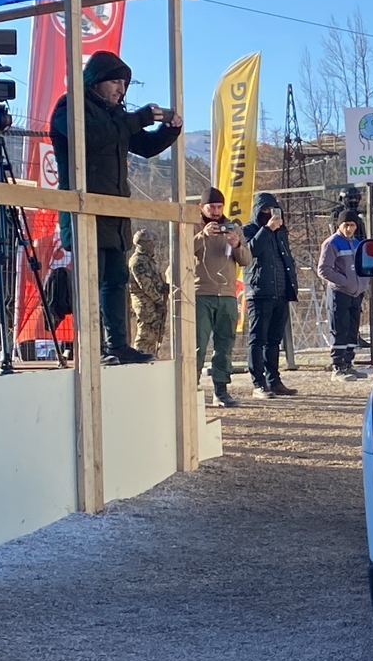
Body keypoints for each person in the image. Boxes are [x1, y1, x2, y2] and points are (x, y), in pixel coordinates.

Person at [50, 50, 182, 365]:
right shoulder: (70, 108)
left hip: (114, 212)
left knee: (116, 280)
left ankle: (117, 345)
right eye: (115, 81)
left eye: (124, 84)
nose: (121, 89)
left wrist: (169, 129)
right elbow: (94, 138)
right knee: (89, 280)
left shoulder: (117, 117)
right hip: (83, 210)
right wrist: (138, 120)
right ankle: (89, 345)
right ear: (96, 81)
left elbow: (145, 146)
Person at [190, 187, 250, 408]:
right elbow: (182, 250)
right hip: (200, 293)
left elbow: (246, 260)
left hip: (226, 295)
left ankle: (221, 389)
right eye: (211, 207)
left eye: (219, 207)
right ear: (202, 207)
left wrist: (237, 245)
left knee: (225, 344)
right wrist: (202, 235)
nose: (216, 212)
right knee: (197, 344)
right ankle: (191, 389)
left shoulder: (233, 228)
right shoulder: (192, 225)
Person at [243, 193, 299, 399]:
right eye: (265, 210)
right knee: (258, 339)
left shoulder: (281, 232)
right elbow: (250, 252)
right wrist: (267, 230)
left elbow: (286, 260)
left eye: (273, 209)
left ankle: (274, 380)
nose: (270, 214)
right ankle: (258, 383)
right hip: (259, 292)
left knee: (274, 340)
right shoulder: (249, 230)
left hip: (281, 292)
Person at [316, 212, 369, 381]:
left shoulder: (357, 244)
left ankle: (348, 363)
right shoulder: (332, 243)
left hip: (356, 293)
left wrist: (363, 283)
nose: (349, 228)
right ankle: (337, 366)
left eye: (352, 225)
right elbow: (324, 269)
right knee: (340, 328)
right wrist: (344, 281)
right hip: (340, 292)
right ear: (339, 225)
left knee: (352, 329)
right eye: (346, 225)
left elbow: (364, 266)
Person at [127, 230, 168, 358]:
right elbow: (146, 285)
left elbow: (155, 280)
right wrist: (158, 300)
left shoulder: (148, 260)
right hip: (145, 302)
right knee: (145, 332)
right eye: (150, 242)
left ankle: (150, 355)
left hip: (152, 302)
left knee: (154, 332)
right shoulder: (138, 261)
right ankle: (140, 355)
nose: (153, 245)